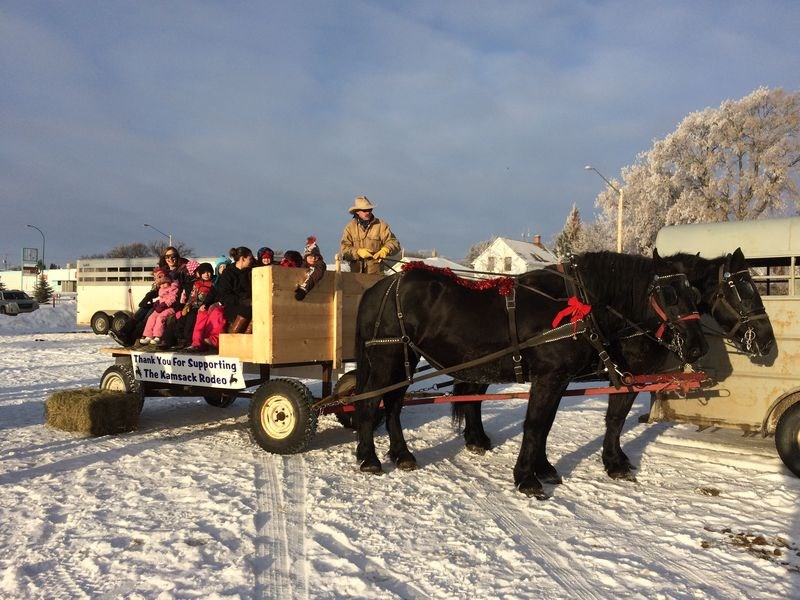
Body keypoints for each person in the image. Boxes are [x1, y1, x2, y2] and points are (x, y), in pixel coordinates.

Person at [340, 195, 400, 274]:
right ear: (357, 212)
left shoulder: (381, 225)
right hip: (355, 276)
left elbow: (395, 243)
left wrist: (385, 250)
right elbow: (344, 250)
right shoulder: (350, 227)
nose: (368, 212)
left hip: (376, 276)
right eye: (365, 210)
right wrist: (358, 252)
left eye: (370, 210)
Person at [216, 246, 255, 335]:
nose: (251, 260)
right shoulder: (228, 273)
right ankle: (232, 338)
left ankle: (246, 341)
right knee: (247, 310)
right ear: (242, 258)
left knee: (257, 311)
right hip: (233, 306)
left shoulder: (250, 272)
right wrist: (244, 301)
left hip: (249, 304)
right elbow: (224, 295)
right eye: (250, 258)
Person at [139, 269, 180, 345]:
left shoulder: (173, 288)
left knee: (160, 318)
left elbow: (173, 298)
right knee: (151, 317)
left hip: (169, 308)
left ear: (169, 282)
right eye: (161, 284)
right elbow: (161, 298)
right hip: (160, 308)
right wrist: (157, 303)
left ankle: (158, 336)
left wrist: (165, 304)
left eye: (165, 283)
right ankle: (148, 335)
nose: (163, 285)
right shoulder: (161, 289)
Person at [295, 236, 327, 301]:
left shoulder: (320, 264)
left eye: (316, 257)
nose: (313, 259)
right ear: (306, 257)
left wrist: (303, 289)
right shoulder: (302, 265)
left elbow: (315, 275)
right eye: (311, 257)